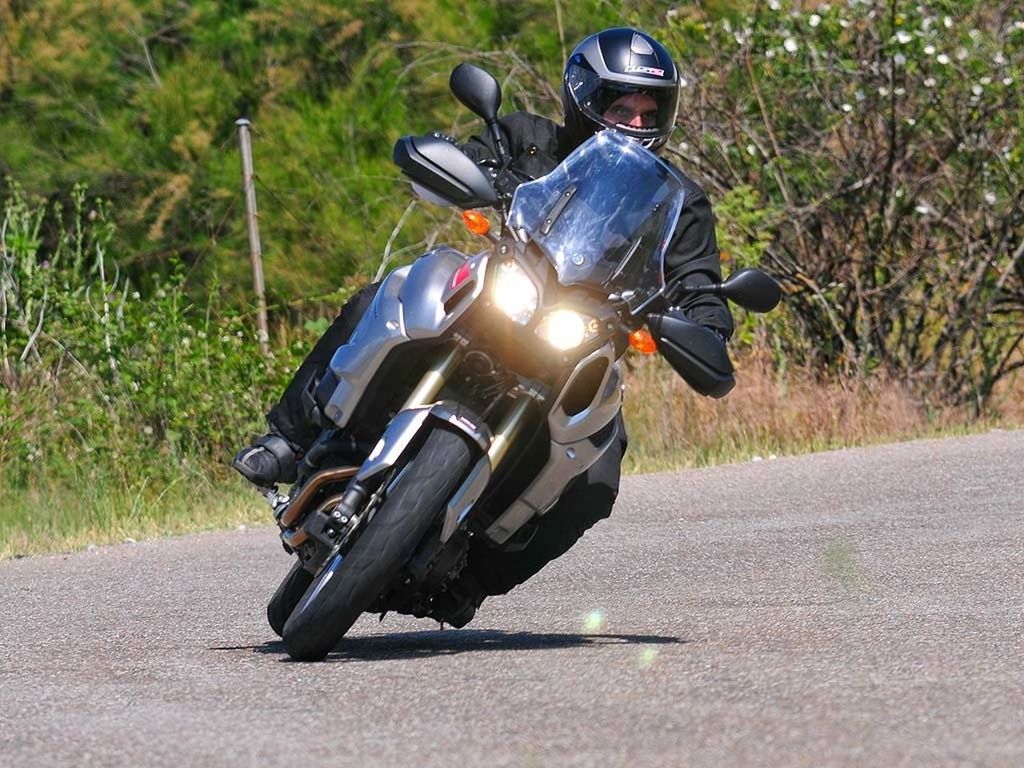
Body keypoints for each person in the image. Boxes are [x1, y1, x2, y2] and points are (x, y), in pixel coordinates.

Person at [233, 27, 734, 625]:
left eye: (647, 110)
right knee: (390, 292)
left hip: (577, 342)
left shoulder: (680, 202)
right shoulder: (527, 137)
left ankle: (474, 575)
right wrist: (458, 167)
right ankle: (289, 440)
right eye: (619, 106)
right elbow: (467, 158)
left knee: (600, 469)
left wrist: (700, 327)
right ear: (584, 99)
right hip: (499, 298)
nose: (632, 120)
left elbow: (700, 288)